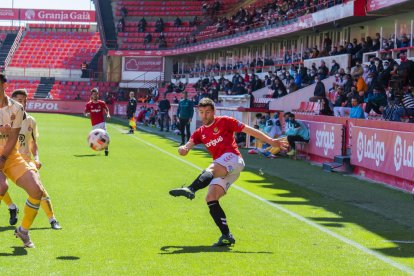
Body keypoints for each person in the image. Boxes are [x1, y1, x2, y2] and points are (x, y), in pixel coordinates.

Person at [169, 98, 288, 246]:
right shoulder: (200, 132)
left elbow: (249, 130)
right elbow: (188, 144)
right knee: (211, 197)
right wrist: (184, 149)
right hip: (227, 169)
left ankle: (191, 188)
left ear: (213, 112)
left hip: (233, 159)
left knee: (211, 168)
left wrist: (271, 141)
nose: (204, 115)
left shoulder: (224, 121)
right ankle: (226, 235)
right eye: (201, 112)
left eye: (207, 112)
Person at [2, 89, 62, 230]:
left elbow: (33, 143)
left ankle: (52, 219)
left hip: (24, 160)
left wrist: (36, 158)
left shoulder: (31, 121)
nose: (23, 103)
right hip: (5, 157)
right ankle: (12, 207)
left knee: (39, 189)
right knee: (1, 186)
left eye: (25, 101)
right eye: (19, 101)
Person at [0, 73, 45, 248]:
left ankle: (23, 231)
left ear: (4, 85)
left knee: (37, 191)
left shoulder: (17, 108)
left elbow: (13, 136)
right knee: (2, 186)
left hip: (10, 155)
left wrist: (3, 157)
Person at [84, 88, 111, 156]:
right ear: (91, 96)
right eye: (94, 94)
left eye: (96, 94)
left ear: (98, 95)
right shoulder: (89, 104)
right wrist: (87, 114)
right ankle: (99, 147)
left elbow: (106, 109)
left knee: (104, 137)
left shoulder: (101, 103)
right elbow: (85, 112)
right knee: (96, 139)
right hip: (94, 125)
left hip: (102, 123)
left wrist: (108, 114)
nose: (95, 95)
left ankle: (106, 149)